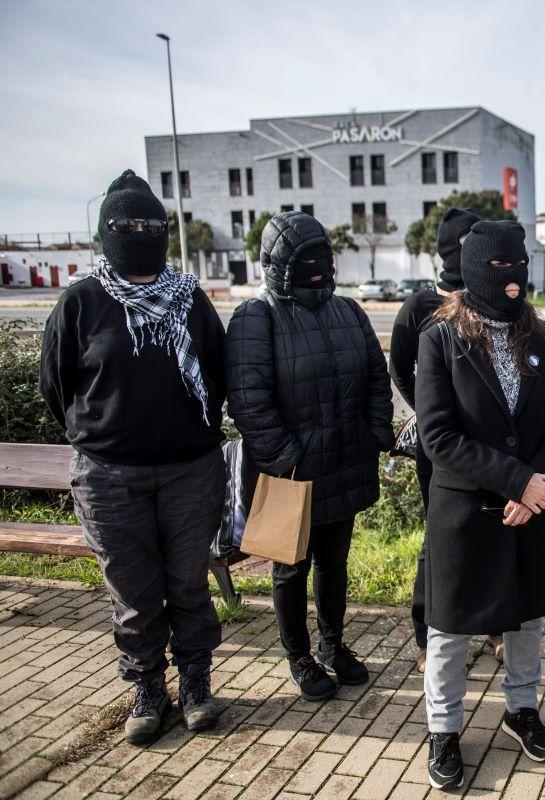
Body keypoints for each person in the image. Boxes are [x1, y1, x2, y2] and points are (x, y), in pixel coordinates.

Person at [39, 169, 226, 744]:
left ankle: (196, 681)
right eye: (129, 224)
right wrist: (105, 434)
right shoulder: (81, 301)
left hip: (190, 472)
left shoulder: (190, 299)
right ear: (107, 231)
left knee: (189, 584)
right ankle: (147, 686)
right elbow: (56, 385)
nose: (142, 233)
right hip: (109, 478)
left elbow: (217, 374)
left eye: (152, 224)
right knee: (134, 592)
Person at [416, 220, 545, 790]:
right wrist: (515, 481)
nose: (512, 278)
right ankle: (443, 729)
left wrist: (538, 486)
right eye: (498, 267)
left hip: (532, 504)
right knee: (451, 624)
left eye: (519, 265)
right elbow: (437, 435)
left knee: (527, 616)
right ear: (474, 270)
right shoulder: (440, 338)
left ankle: (521, 710)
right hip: (466, 508)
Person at [226, 211, 394, 702]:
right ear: (280, 264)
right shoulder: (256, 317)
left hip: (343, 461)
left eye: (323, 257)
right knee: (290, 568)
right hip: (292, 474)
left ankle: (333, 645)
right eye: (305, 260)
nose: (318, 268)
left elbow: (375, 378)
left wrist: (374, 431)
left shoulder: (349, 311)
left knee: (334, 564)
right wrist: (285, 457)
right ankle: (299, 657)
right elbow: (248, 398)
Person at [390, 207, 502, 672]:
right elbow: (399, 367)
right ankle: (428, 633)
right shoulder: (418, 307)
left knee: (494, 532)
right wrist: (430, 416)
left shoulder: (492, 300)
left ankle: (496, 625)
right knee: (439, 539)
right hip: (440, 450)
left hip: (492, 449)